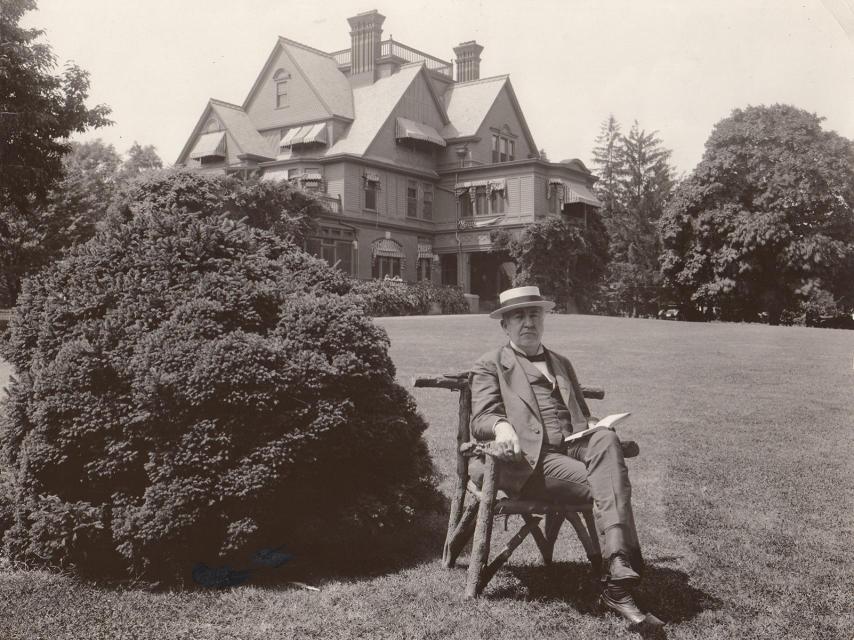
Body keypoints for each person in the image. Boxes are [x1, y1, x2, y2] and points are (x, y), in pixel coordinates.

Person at [470, 285, 659, 626]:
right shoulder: (491, 364)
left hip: (572, 444)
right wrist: (501, 426)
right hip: (531, 460)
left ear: (543, 318)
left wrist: (598, 427)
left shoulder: (560, 362)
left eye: (534, 314)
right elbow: (480, 417)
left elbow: (581, 414)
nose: (528, 322)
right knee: (612, 485)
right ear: (505, 325)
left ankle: (616, 567)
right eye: (518, 316)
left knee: (603, 438)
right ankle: (618, 577)